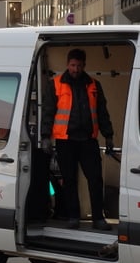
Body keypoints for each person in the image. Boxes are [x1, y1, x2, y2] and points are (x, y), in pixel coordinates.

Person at [41, 48, 114, 230]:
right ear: (67, 64)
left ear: (84, 66)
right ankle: (73, 217)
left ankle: (98, 217)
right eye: (73, 65)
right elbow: (48, 113)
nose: (75, 69)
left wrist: (109, 136)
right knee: (69, 179)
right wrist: (45, 137)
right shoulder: (55, 84)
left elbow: (102, 113)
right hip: (66, 140)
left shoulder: (94, 85)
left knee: (95, 179)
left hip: (88, 140)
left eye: (79, 66)